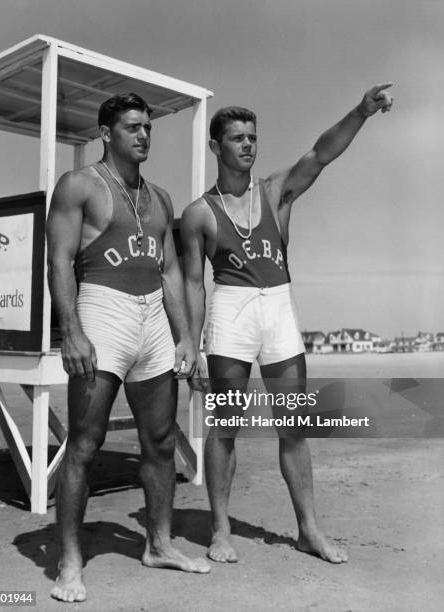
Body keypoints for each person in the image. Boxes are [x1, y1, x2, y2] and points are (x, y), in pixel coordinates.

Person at [181, 84, 393, 565]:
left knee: (293, 426)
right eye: (237, 138)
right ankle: (219, 529)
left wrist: (360, 111)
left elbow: (321, 153)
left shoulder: (275, 192)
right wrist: (191, 345)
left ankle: (308, 530)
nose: (248, 145)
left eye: (253, 137)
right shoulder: (199, 214)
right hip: (231, 310)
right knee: (227, 426)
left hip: (277, 308)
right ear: (216, 146)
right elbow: (194, 285)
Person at [47, 93, 210, 603]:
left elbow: (170, 271)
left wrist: (187, 336)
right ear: (106, 133)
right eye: (132, 128)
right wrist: (70, 330)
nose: (143, 136)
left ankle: (158, 544)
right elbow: (59, 259)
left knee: (160, 439)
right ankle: (70, 561)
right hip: (103, 310)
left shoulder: (160, 198)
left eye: (148, 129)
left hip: (152, 320)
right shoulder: (80, 185)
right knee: (85, 442)